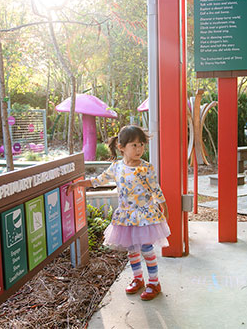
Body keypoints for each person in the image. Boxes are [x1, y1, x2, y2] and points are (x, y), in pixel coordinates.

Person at [67, 125, 170, 301]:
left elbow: (155, 189)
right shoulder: (116, 167)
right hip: (126, 216)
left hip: (145, 215)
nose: (139, 149)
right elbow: (97, 181)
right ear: (121, 147)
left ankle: (154, 283)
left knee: (147, 248)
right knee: (131, 249)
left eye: (141, 145)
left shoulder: (146, 168)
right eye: (134, 145)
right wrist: (78, 184)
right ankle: (138, 279)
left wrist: (163, 206)